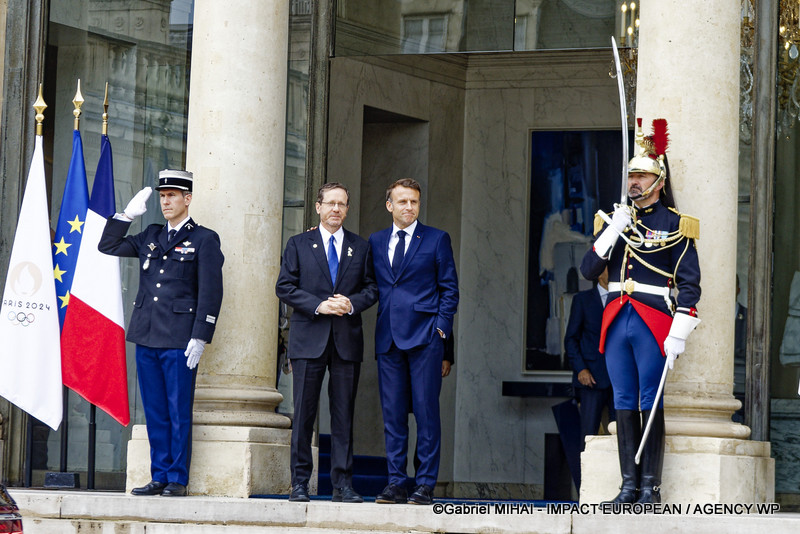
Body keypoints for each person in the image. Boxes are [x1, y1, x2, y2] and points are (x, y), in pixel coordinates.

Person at [580, 119, 701, 505]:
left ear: (658, 181)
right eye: (631, 175)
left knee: (650, 399)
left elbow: (691, 283)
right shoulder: (614, 221)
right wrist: (613, 230)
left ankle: (650, 485)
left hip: (653, 319)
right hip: (617, 318)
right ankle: (627, 485)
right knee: (623, 399)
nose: (634, 182)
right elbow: (587, 271)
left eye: (642, 175)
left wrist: (680, 330)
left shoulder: (675, 225)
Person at [99, 169, 224, 497]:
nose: (166, 201)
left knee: (178, 410)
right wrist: (126, 216)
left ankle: (177, 479)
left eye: (172, 196)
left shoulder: (204, 239)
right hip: (147, 334)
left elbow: (211, 291)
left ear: (188, 199)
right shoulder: (151, 234)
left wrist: (201, 335)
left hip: (180, 338)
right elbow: (108, 245)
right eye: (162, 196)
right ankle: (159, 474)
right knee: (155, 410)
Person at [275, 183, 378, 503]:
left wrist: (350, 304)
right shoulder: (298, 244)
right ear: (318, 207)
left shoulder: (360, 248)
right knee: (303, 413)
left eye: (342, 204)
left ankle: (343, 485)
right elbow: (285, 287)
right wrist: (319, 304)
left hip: (346, 339)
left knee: (343, 414)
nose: (336, 209)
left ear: (347, 209)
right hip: (309, 338)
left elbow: (372, 289)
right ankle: (300, 483)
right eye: (330, 203)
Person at [369, 178, 459, 506]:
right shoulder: (376, 241)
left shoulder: (436, 239)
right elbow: (367, 282)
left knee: (426, 413)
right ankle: (396, 482)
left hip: (425, 337)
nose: (409, 207)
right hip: (388, 337)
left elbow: (449, 288)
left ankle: (424, 484)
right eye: (403, 202)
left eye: (414, 202)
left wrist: (441, 329)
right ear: (390, 205)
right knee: (392, 415)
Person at [564, 267, 616, 461]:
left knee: (621, 435)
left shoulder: (623, 299)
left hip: (619, 379)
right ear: (598, 273)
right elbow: (571, 339)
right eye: (610, 266)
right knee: (588, 436)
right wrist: (581, 369)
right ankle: (585, 488)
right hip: (591, 379)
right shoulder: (582, 300)